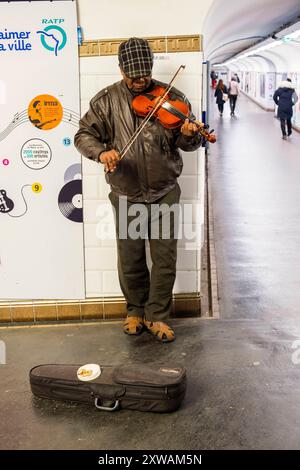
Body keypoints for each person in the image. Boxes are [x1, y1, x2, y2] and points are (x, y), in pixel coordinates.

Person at [74, 37, 203, 343]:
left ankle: (157, 316)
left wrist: (189, 135)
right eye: (133, 76)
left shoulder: (171, 96)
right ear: (121, 71)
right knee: (131, 256)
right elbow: (83, 134)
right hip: (126, 192)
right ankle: (135, 309)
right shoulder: (106, 101)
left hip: (164, 191)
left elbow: (189, 143)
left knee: (164, 257)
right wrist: (102, 153)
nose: (140, 80)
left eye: (144, 73)